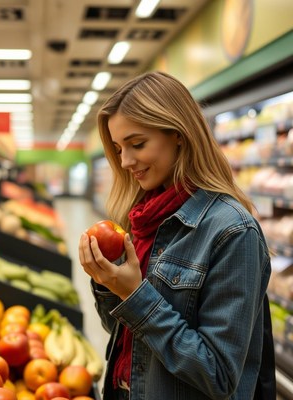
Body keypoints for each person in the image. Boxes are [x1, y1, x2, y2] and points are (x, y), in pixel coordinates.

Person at [78, 71, 276, 400]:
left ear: (179, 134)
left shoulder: (231, 231)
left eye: (137, 144)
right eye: (117, 148)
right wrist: (107, 284)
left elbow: (220, 375)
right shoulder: (143, 219)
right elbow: (131, 340)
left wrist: (135, 296)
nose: (125, 161)